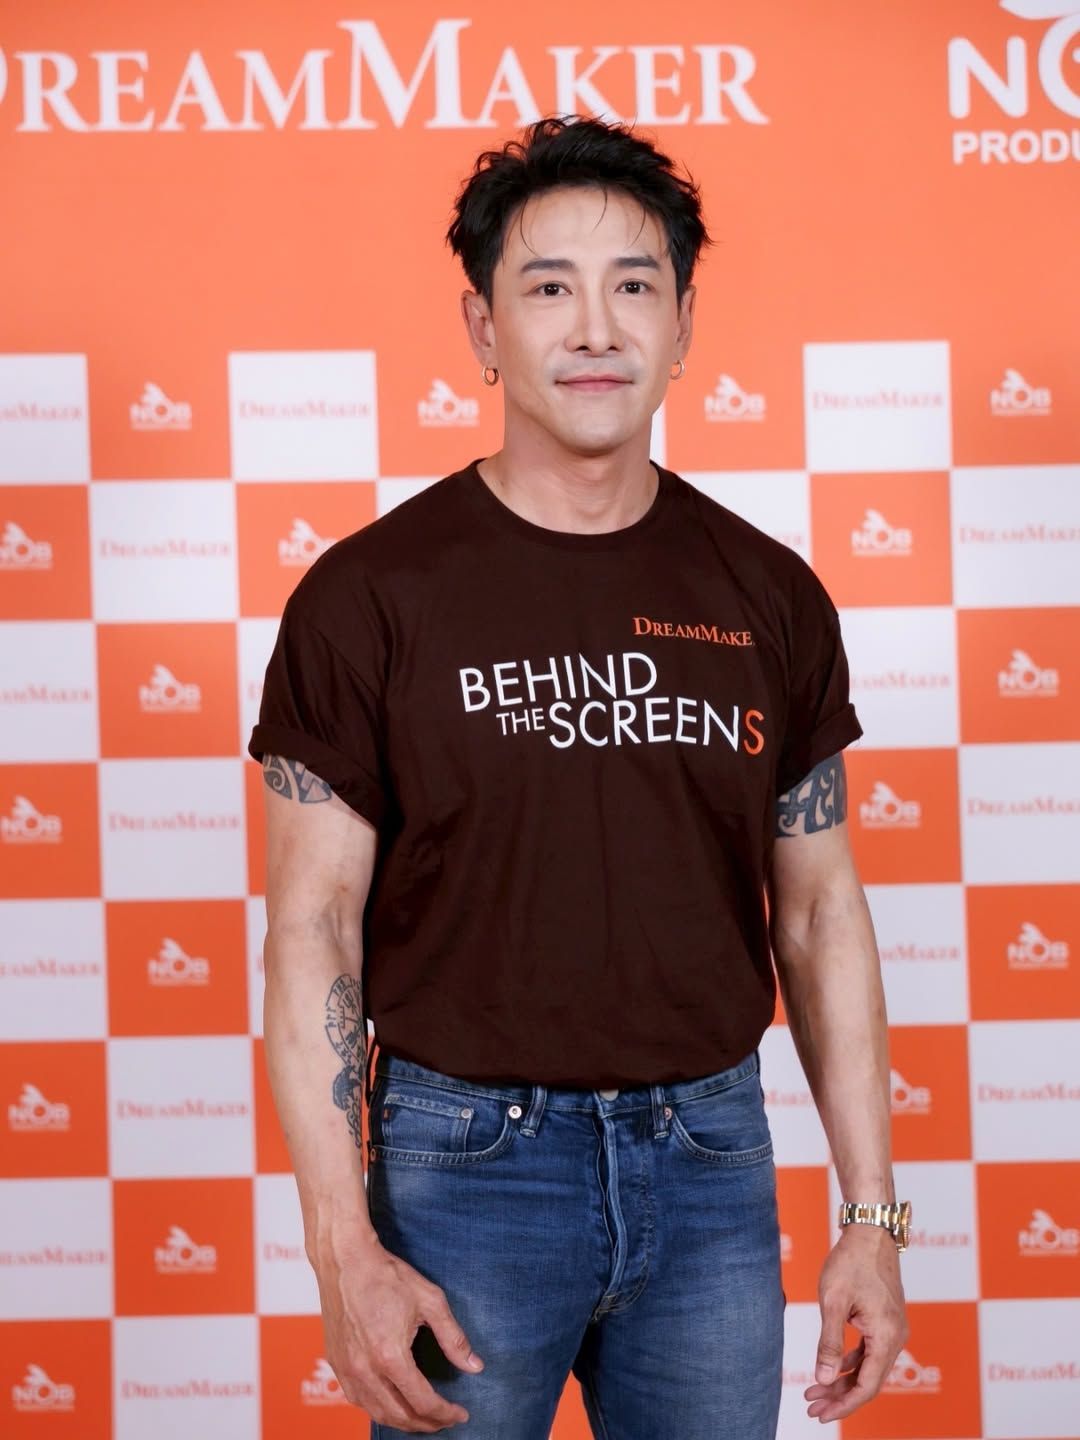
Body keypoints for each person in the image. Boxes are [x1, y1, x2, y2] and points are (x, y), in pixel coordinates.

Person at [247, 114, 910, 1439]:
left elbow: (821, 910)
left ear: (683, 323)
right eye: (548, 288)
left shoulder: (769, 593)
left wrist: (871, 1217)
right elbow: (312, 922)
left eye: (634, 287)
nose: (595, 329)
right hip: (463, 1171)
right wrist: (339, 1244)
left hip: (713, 1165)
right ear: (483, 329)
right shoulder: (370, 597)